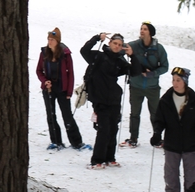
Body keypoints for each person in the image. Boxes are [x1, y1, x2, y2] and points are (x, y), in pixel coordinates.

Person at [149, 66, 195, 192]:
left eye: (178, 80)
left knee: (192, 180)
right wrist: (157, 133)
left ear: (185, 82)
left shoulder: (194, 100)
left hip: (190, 145)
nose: (175, 83)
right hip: (172, 145)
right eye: (174, 80)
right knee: (171, 179)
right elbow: (159, 120)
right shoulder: (166, 100)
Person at [81, 32, 132, 169]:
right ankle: (97, 160)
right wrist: (97, 38)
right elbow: (84, 51)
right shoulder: (98, 56)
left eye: (120, 45)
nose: (117, 46)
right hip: (100, 99)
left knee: (113, 129)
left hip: (114, 99)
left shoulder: (120, 62)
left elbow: (135, 71)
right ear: (109, 43)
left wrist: (132, 55)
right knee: (103, 130)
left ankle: (110, 158)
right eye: (115, 43)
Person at [35, 27, 87, 150]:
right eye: (49, 39)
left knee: (67, 115)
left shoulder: (65, 54)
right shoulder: (44, 53)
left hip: (62, 88)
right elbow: (38, 70)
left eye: (52, 39)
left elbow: (71, 74)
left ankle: (76, 142)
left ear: (58, 41)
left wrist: (69, 92)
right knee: (51, 115)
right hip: (48, 88)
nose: (50, 42)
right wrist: (44, 81)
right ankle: (56, 141)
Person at [123, 21, 169, 148]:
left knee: (155, 114)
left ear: (151, 32)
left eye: (145, 29)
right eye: (141, 29)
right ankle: (133, 138)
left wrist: (152, 74)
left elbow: (165, 67)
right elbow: (120, 50)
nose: (142, 31)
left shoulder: (159, 49)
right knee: (134, 113)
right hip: (136, 86)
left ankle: (157, 139)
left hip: (152, 88)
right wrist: (127, 67)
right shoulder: (134, 45)